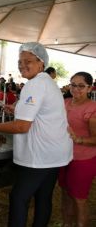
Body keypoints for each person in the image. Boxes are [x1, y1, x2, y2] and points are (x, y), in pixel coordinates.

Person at [0, 42, 72, 227]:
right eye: (20, 61)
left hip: (40, 156)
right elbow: (39, 113)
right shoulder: (48, 83)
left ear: (41, 63)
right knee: (43, 196)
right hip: (56, 153)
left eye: (28, 61)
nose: (22, 65)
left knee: (19, 197)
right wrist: (17, 109)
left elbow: (21, 127)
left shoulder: (34, 85)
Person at [58, 72, 96, 227]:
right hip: (62, 156)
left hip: (83, 159)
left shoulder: (92, 108)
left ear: (90, 88)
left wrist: (78, 139)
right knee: (65, 195)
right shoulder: (64, 102)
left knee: (79, 200)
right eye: (73, 84)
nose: (76, 89)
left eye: (81, 86)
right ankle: (67, 224)